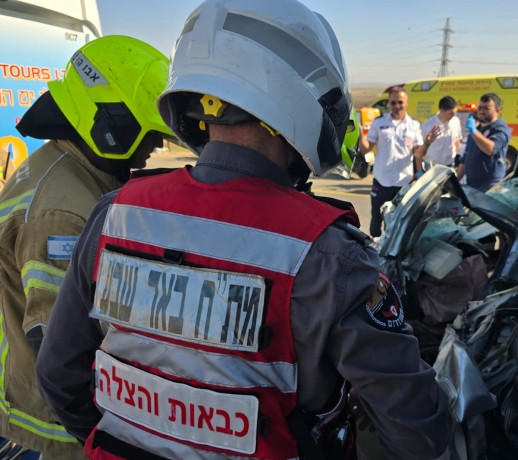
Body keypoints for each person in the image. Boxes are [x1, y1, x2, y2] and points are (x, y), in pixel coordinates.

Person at [35, 1, 451, 459]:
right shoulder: (329, 252)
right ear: (296, 96)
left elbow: (59, 376)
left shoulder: (115, 213)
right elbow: (417, 429)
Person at [0, 36, 171, 459]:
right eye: (149, 133)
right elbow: (58, 347)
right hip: (48, 432)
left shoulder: (64, 165)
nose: (155, 148)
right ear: (113, 124)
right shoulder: (63, 211)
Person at [359, 87, 435, 237]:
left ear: (406, 103)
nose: (396, 106)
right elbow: (367, 149)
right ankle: (375, 252)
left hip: (403, 183)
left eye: (400, 102)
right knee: (376, 220)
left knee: (400, 221)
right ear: (389, 103)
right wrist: (360, 135)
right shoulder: (378, 123)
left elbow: (418, 154)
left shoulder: (413, 125)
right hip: (381, 181)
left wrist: (427, 143)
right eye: (393, 103)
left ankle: (393, 253)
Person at [456, 92, 512, 192]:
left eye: (486, 108)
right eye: (480, 108)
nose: (481, 111)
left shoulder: (500, 128)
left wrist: (474, 131)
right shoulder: (478, 129)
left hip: (490, 186)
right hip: (471, 184)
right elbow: (465, 159)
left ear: (497, 110)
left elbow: (490, 149)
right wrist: (456, 182)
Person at [415, 96, 462, 173]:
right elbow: (418, 152)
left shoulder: (456, 121)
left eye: (455, 113)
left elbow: (458, 141)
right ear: (442, 111)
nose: (454, 115)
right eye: (451, 113)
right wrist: (419, 172)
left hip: (450, 166)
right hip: (432, 166)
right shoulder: (427, 125)